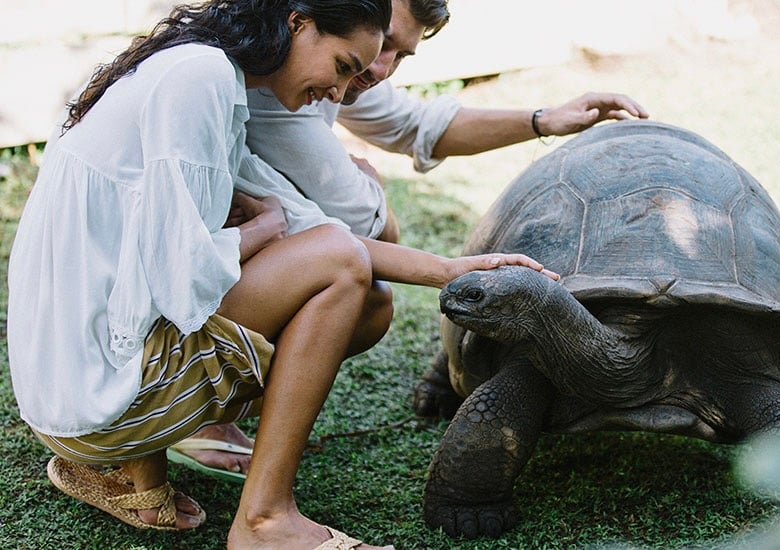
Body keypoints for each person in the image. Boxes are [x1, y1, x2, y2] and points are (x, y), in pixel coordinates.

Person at [6, 0, 556, 548]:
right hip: (91, 397)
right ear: (298, 22)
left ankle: (133, 473)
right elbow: (183, 277)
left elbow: (308, 225)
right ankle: (264, 521)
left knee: (368, 300)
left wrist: (452, 270)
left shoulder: (213, 75)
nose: (339, 94)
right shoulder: (201, 79)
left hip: (73, 386)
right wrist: (263, 229)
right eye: (342, 66)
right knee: (339, 268)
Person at [174, 0, 649, 479]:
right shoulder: (267, 86)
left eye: (399, 55)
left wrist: (544, 119)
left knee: (366, 291)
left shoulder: (337, 65)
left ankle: (210, 418)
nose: (380, 68)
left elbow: (412, 124)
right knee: (359, 289)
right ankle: (195, 421)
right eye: (380, 44)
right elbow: (361, 223)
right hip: (177, 294)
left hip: (216, 265)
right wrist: (374, 190)